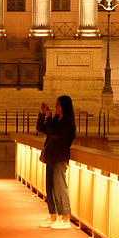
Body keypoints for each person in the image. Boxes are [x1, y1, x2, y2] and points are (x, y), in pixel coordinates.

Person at [36, 95, 76, 228]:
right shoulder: (57, 120)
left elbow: (55, 134)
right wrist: (43, 115)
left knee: (60, 188)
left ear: (64, 107)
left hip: (59, 157)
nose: (56, 107)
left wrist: (49, 119)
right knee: (50, 188)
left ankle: (65, 218)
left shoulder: (67, 123)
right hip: (51, 156)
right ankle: (53, 215)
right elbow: (42, 129)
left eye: (58, 105)